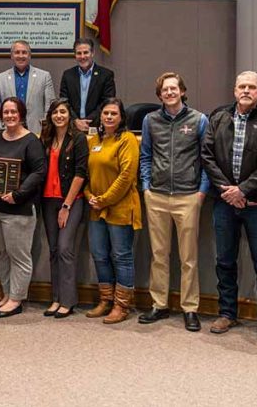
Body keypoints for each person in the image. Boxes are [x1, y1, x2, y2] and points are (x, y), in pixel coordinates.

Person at [200, 71, 257, 342]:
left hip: (256, 203)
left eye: (251, 87)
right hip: (225, 202)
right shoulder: (219, 119)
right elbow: (207, 156)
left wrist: (243, 190)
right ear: (234, 91)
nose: (246, 91)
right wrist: (228, 191)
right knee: (224, 260)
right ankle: (227, 312)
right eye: (241, 87)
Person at [138, 72, 210, 332]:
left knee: (188, 258)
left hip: (188, 196)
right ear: (159, 95)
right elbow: (145, 155)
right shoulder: (150, 120)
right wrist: (146, 188)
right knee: (159, 255)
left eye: (173, 88)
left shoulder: (199, 120)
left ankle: (190, 308)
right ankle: (159, 304)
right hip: (156, 195)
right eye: (165, 90)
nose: (169, 93)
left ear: (182, 91)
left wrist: (201, 192)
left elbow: (206, 160)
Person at [0, 97, 46, 318]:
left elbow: (39, 172)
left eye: (14, 112)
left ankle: (16, 299)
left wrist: (17, 195)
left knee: (19, 256)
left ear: (21, 114)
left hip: (19, 209)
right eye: (6, 112)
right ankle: (8, 294)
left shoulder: (31, 141)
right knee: (1, 254)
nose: (9, 116)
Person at [85, 98, 141, 324]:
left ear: (121, 118)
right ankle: (105, 299)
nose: (109, 117)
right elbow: (86, 173)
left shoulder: (127, 139)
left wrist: (105, 199)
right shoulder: (94, 140)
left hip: (119, 206)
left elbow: (127, 175)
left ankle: (122, 305)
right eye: (105, 113)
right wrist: (90, 197)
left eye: (113, 114)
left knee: (121, 256)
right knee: (99, 255)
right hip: (96, 207)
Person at [39, 98, 88, 319]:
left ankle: (68, 300)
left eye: (63, 112)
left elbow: (80, 174)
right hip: (48, 200)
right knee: (53, 251)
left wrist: (67, 205)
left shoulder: (78, 139)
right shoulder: (46, 138)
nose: (59, 116)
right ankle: (56, 298)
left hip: (71, 200)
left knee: (65, 247)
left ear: (69, 115)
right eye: (55, 112)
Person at [0, 40, 56, 134]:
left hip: (37, 131)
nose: (20, 56)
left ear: (29, 55)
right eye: (17, 52)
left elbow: (50, 106)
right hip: (7, 132)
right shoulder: (0, 79)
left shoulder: (44, 76)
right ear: (11, 56)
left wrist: (46, 129)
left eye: (24, 52)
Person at [58, 38, 116, 132]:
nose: (82, 56)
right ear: (75, 55)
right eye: (79, 53)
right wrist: (76, 121)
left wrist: (87, 121)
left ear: (92, 53)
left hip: (97, 126)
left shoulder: (106, 75)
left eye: (86, 52)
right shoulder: (68, 75)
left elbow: (107, 102)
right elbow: (64, 102)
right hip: (72, 127)